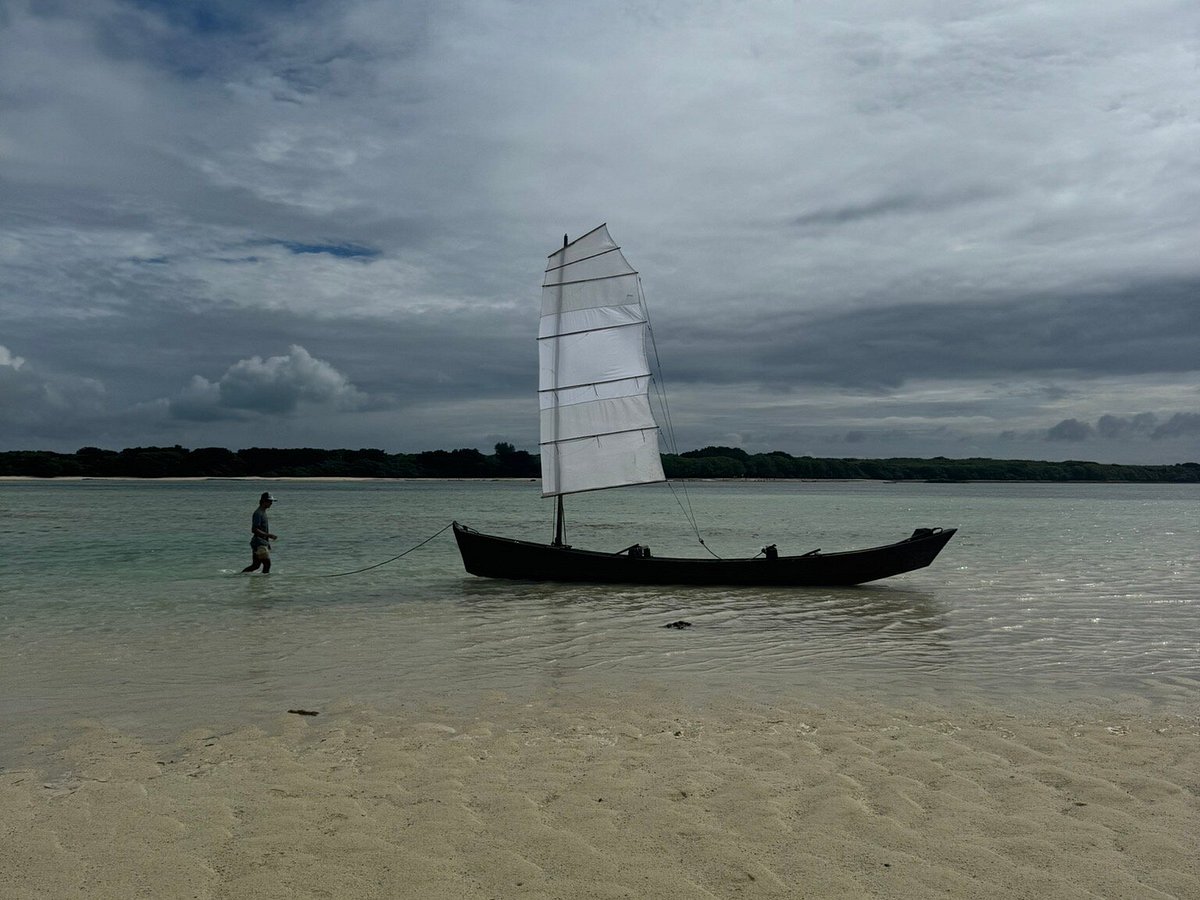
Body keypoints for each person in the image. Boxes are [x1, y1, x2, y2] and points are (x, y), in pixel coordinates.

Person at [242, 492, 278, 573]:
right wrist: (269, 535)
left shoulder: (262, 512)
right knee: (267, 564)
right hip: (259, 543)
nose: (271, 503)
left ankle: (240, 576)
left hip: (259, 542)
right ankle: (265, 583)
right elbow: (254, 529)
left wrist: (267, 543)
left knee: (255, 565)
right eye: (269, 501)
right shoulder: (258, 513)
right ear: (263, 501)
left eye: (271, 501)